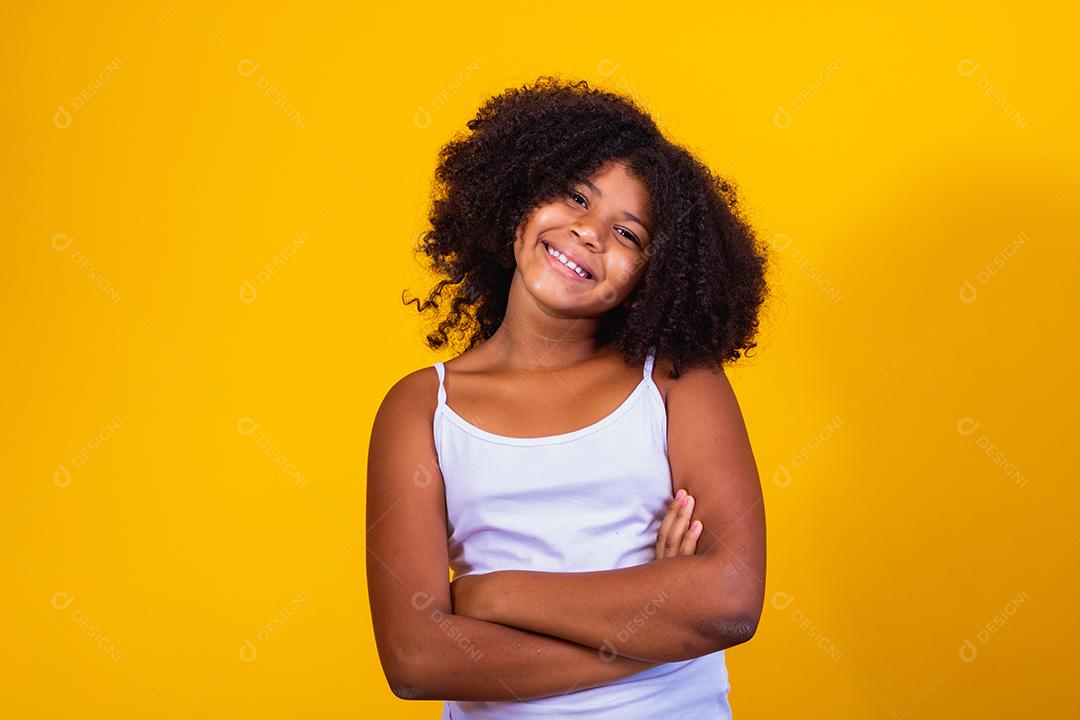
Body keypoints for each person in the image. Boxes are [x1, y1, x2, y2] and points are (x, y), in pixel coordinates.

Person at [367, 75, 770, 718]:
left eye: (629, 234)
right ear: (517, 199)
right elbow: (417, 660)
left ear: (653, 275)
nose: (589, 233)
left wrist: (492, 596)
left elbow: (729, 601)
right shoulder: (422, 409)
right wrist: (654, 630)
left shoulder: (674, 383)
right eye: (575, 197)